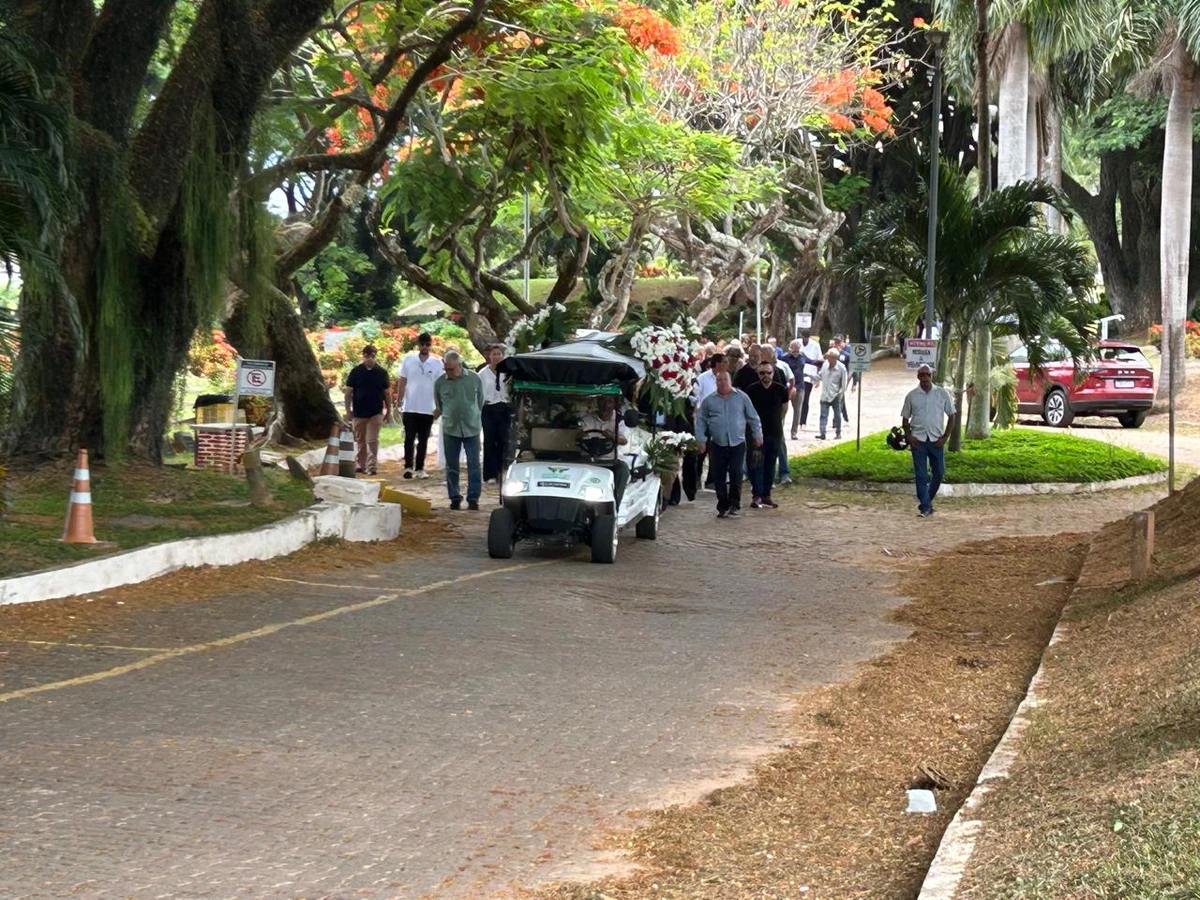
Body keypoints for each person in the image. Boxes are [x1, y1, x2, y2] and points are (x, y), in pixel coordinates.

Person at [695, 371, 762, 518]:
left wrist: (757, 435)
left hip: (738, 442)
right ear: (716, 383)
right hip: (717, 443)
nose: (722, 383)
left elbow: (753, 417)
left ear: (730, 381)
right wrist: (701, 439)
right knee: (718, 475)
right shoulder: (709, 401)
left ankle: (734, 504)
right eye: (719, 380)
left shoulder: (742, 397)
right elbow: (700, 420)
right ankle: (722, 504)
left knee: (736, 472)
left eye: (725, 380)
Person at [901, 363, 956, 518]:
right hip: (918, 441)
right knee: (921, 475)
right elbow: (905, 418)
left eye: (927, 374)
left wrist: (945, 437)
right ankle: (925, 507)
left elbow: (952, 416)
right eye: (922, 375)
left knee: (939, 472)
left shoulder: (942, 394)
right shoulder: (912, 396)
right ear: (918, 377)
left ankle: (926, 502)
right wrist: (909, 437)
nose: (925, 377)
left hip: (936, 440)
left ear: (932, 376)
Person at [433, 350, 484, 510]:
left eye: (451, 368)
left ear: (460, 365)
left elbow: (480, 401)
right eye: (446, 368)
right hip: (451, 428)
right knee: (452, 466)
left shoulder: (474, 379)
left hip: (471, 427)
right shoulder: (440, 383)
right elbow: (439, 405)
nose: (448, 371)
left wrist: (473, 415)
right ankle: (454, 497)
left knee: (474, 465)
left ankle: (473, 498)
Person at [396, 333, 444, 479]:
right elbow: (403, 381)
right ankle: (408, 467)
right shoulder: (409, 360)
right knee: (409, 438)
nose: (424, 347)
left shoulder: (437, 363)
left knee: (423, 439)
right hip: (410, 405)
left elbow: (441, 385)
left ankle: (420, 468)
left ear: (430, 345)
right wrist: (399, 400)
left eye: (427, 344)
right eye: (422, 344)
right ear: (418, 345)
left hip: (428, 407)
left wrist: (439, 406)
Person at [743, 360, 789, 509]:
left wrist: (778, 423)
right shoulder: (751, 390)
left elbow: (784, 408)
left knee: (770, 463)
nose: (765, 375)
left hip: (774, 432)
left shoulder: (781, 389)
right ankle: (757, 494)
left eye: (768, 372)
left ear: (773, 373)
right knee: (756, 464)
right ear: (758, 374)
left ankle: (766, 494)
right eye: (762, 373)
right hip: (756, 434)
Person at [343, 344, 390, 475]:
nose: (370, 359)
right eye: (367, 356)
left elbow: (387, 393)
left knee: (372, 439)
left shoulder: (381, 373)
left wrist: (389, 410)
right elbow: (348, 392)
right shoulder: (356, 372)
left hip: (375, 411)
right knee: (360, 440)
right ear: (363, 356)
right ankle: (361, 464)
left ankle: (372, 465)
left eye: (373, 356)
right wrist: (348, 410)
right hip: (359, 412)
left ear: (376, 357)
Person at [480, 344, 511, 483]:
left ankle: (502, 471)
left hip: (504, 408)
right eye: (494, 354)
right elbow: (478, 391)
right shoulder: (483, 373)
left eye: (499, 354)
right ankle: (490, 474)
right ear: (489, 356)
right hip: (489, 409)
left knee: (504, 441)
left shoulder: (508, 372)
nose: (497, 357)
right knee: (490, 441)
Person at [815, 348, 849, 440]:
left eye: (830, 357)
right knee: (823, 415)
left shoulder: (841, 368)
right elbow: (820, 375)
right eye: (828, 357)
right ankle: (822, 433)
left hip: (835, 395)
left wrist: (840, 394)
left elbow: (844, 384)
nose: (828, 359)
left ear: (835, 358)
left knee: (837, 416)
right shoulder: (825, 364)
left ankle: (838, 433)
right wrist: (815, 378)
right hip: (825, 394)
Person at [797, 330, 823, 430]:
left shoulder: (815, 345)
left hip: (809, 376)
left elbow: (819, 361)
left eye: (806, 338)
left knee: (805, 398)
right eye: (803, 337)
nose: (805, 340)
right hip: (798, 375)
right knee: (797, 399)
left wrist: (817, 378)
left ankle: (802, 421)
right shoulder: (797, 343)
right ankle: (797, 419)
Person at [781, 339, 806, 439]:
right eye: (794, 350)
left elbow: (811, 362)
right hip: (787, 386)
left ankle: (794, 432)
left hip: (800, 386)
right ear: (790, 349)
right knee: (783, 410)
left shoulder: (802, 356)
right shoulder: (784, 358)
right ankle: (780, 431)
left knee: (797, 410)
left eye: (797, 350)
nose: (795, 353)